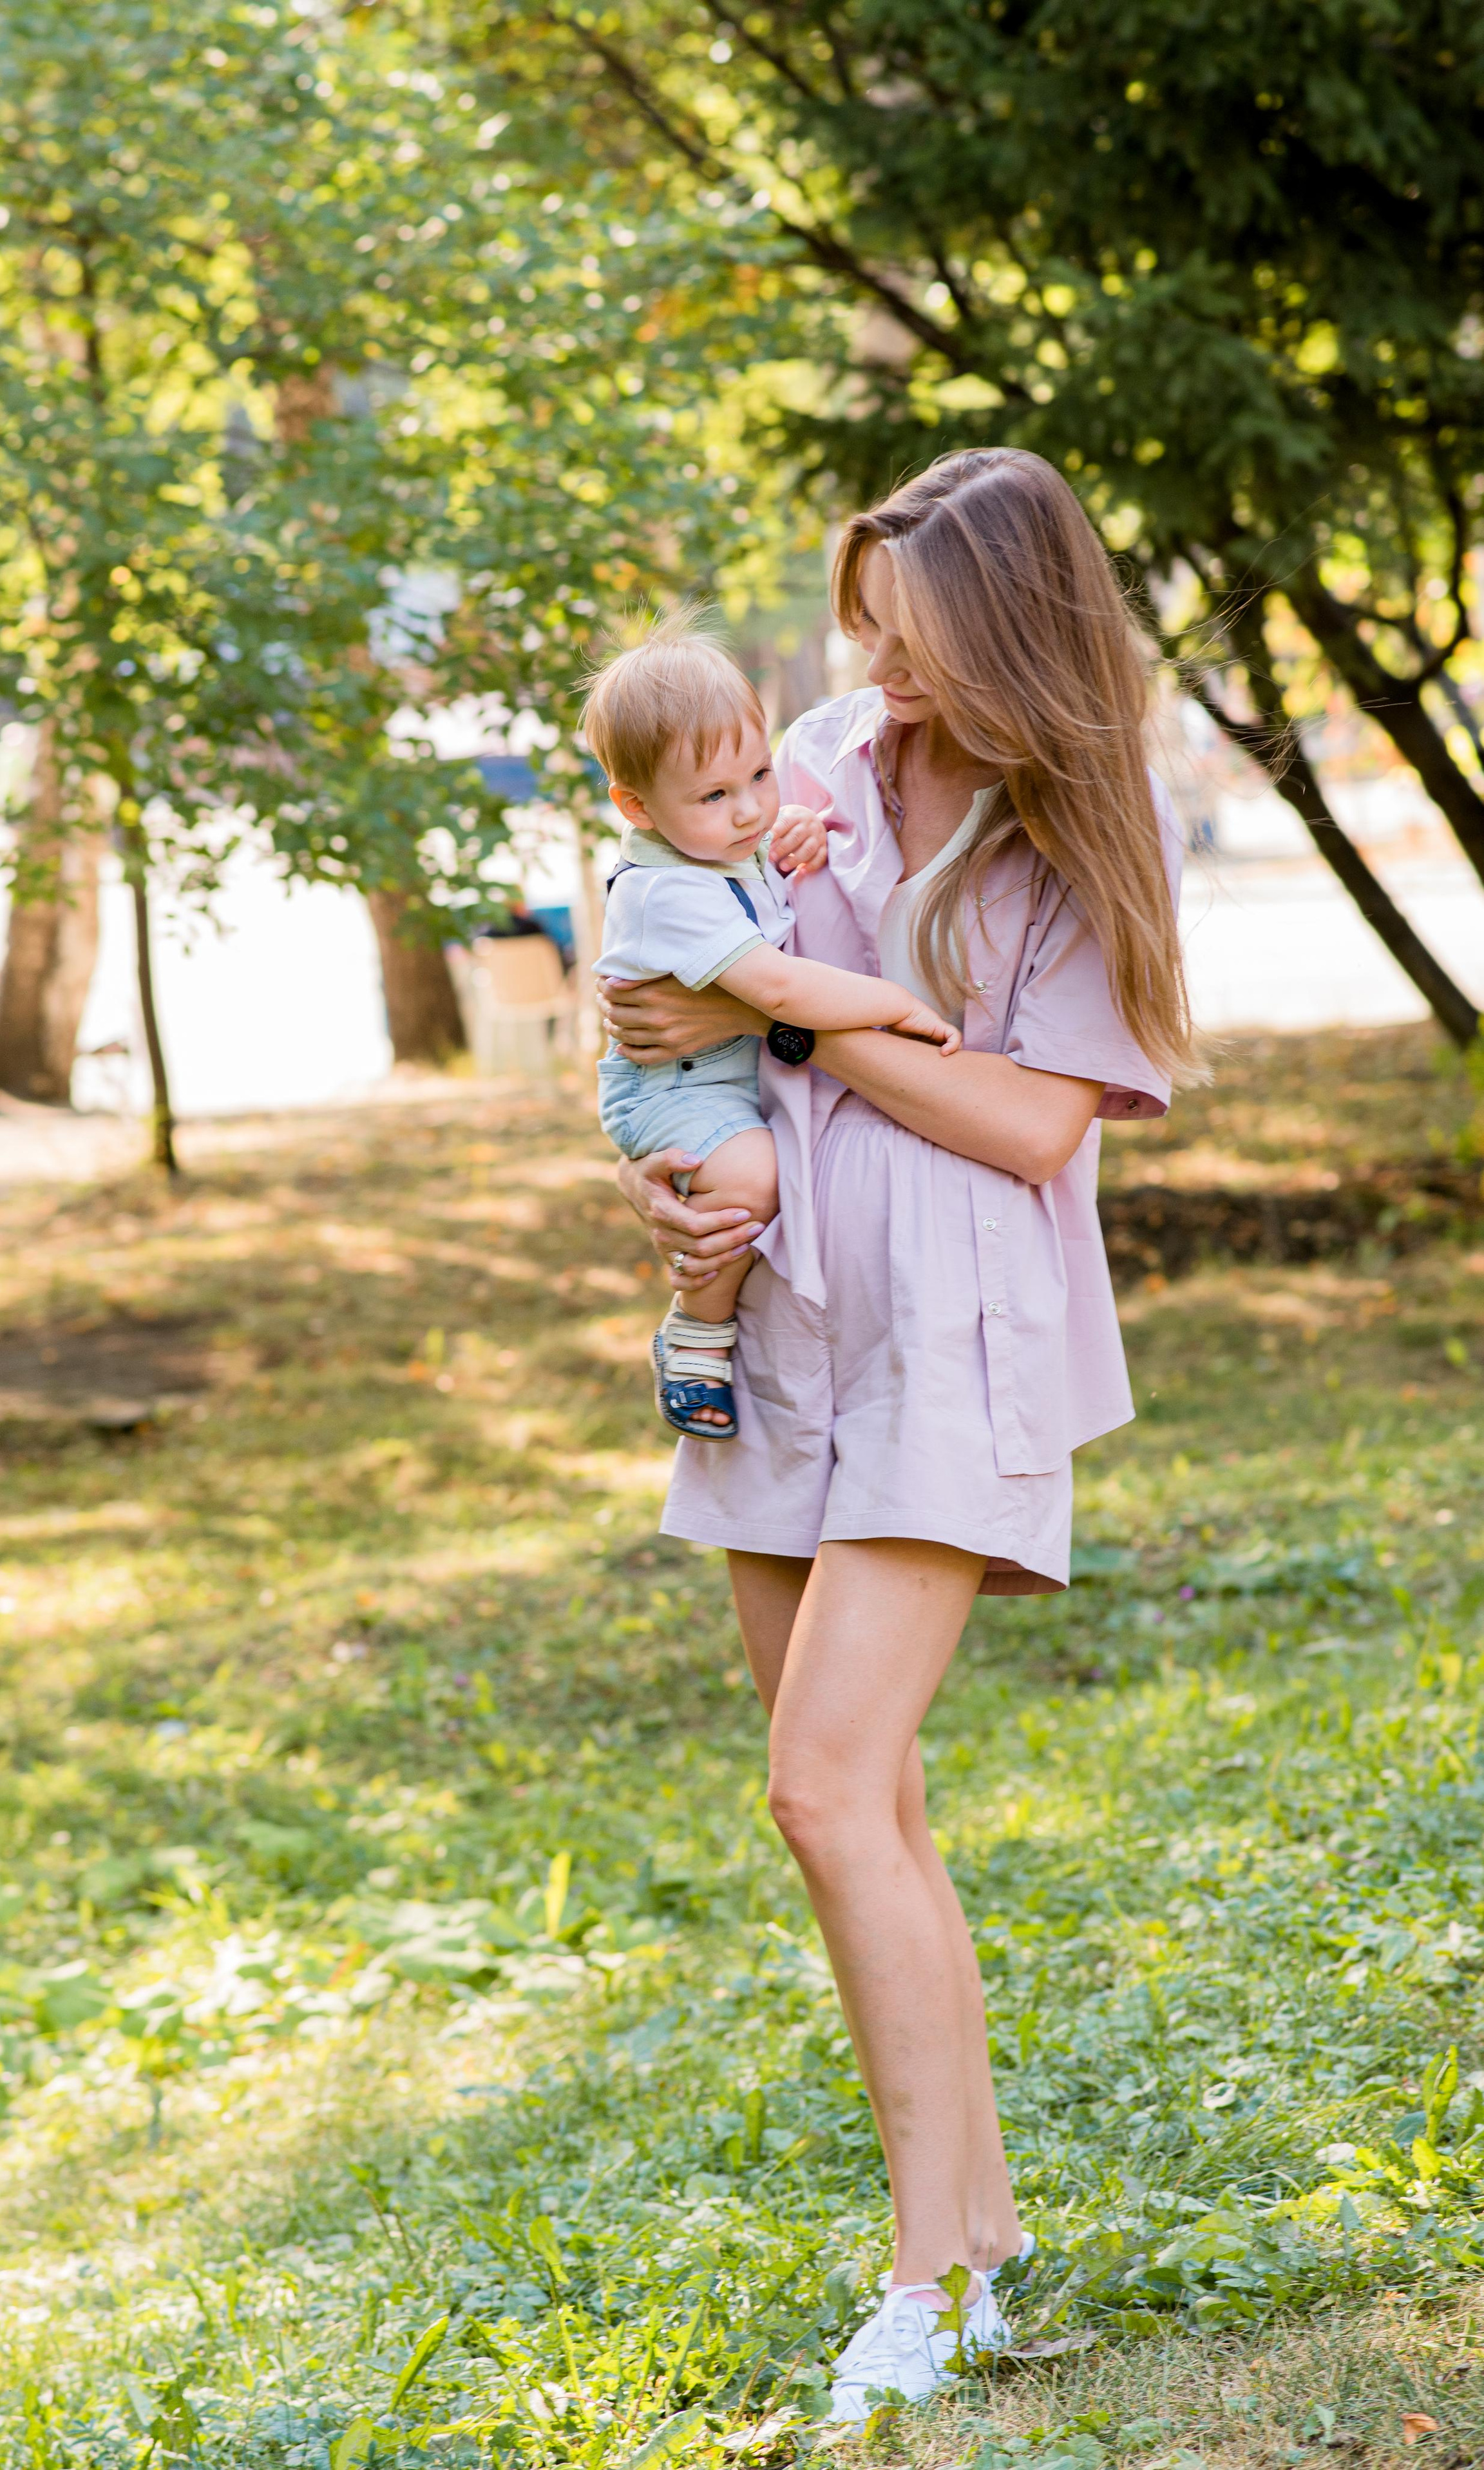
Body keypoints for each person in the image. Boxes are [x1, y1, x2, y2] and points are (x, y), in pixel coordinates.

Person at [599, 449, 1192, 2420]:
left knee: (824, 1788)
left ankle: (926, 2287)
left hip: (956, 1325)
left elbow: (1031, 1125)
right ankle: (980, 2239)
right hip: (781, 1304)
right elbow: (657, 1000)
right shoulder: (821, 756)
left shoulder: (1087, 824)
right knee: (874, 1806)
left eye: (916, 643)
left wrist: (795, 1018)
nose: (877, 676)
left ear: (1014, 642)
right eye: (868, 631)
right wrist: (680, 1164)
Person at [584, 618, 961, 1443]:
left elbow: (770, 873)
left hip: (729, 1070)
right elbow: (780, 986)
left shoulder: (724, 843)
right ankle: (696, 1332)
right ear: (637, 807)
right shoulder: (663, 891)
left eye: (760, 774)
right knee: (753, 1173)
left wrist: (798, 832)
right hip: (674, 1089)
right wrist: (892, 1005)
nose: (750, 807)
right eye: (715, 796)